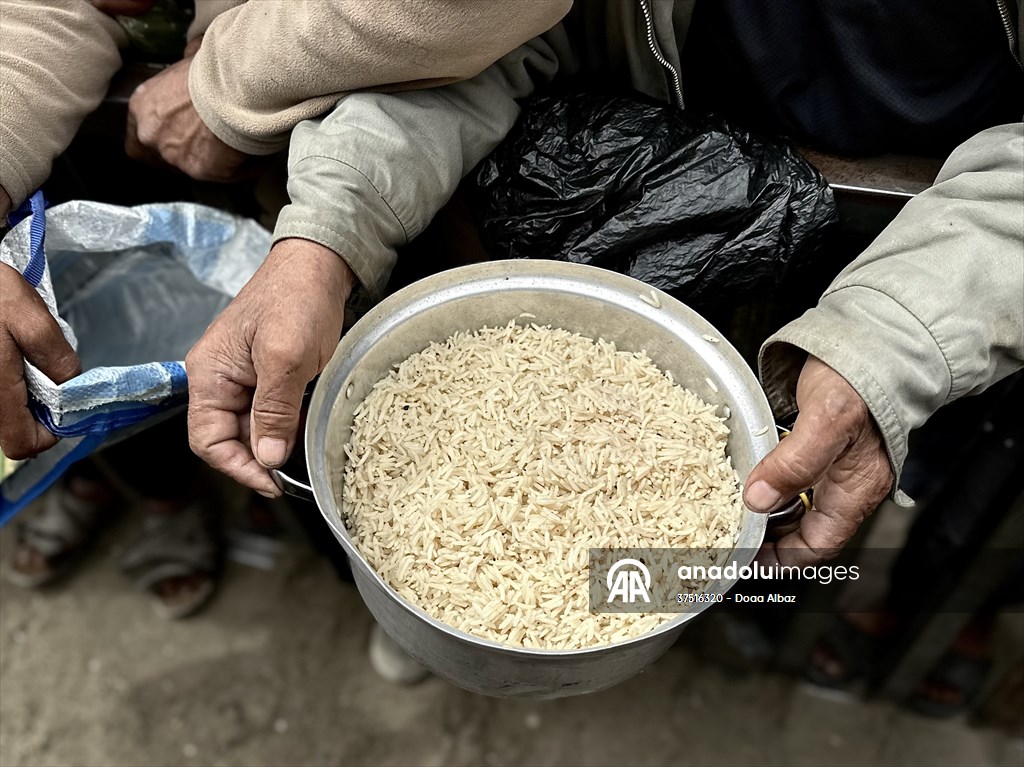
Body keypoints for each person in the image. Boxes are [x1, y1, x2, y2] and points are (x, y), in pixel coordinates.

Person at [185, 0, 1023, 574]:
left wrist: (891, 343)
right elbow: (480, 41)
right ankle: (507, 635)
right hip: (639, 212)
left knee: (804, 521)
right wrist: (327, 230)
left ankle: (743, 632)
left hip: (941, 262)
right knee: (598, 535)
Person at [0, 0, 573, 617]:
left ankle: (479, 599)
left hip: (420, 127)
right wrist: (321, 240)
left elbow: (490, 25)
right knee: (217, 379)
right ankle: (167, 500)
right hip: (201, 135)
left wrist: (222, 86)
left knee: (660, 571)